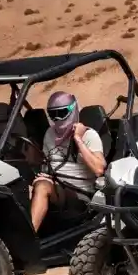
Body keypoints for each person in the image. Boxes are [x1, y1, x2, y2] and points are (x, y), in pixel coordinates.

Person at [30, 91, 106, 234]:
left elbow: (99, 169)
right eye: (53, 114)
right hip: (57, 187)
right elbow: (47, 164)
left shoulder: (89, 135)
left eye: (62, 112)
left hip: (81, 194)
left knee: (42, 187)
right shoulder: (49, 134)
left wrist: (78, 138)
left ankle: (29, 238)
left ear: (73, 109)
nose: (58, 118)